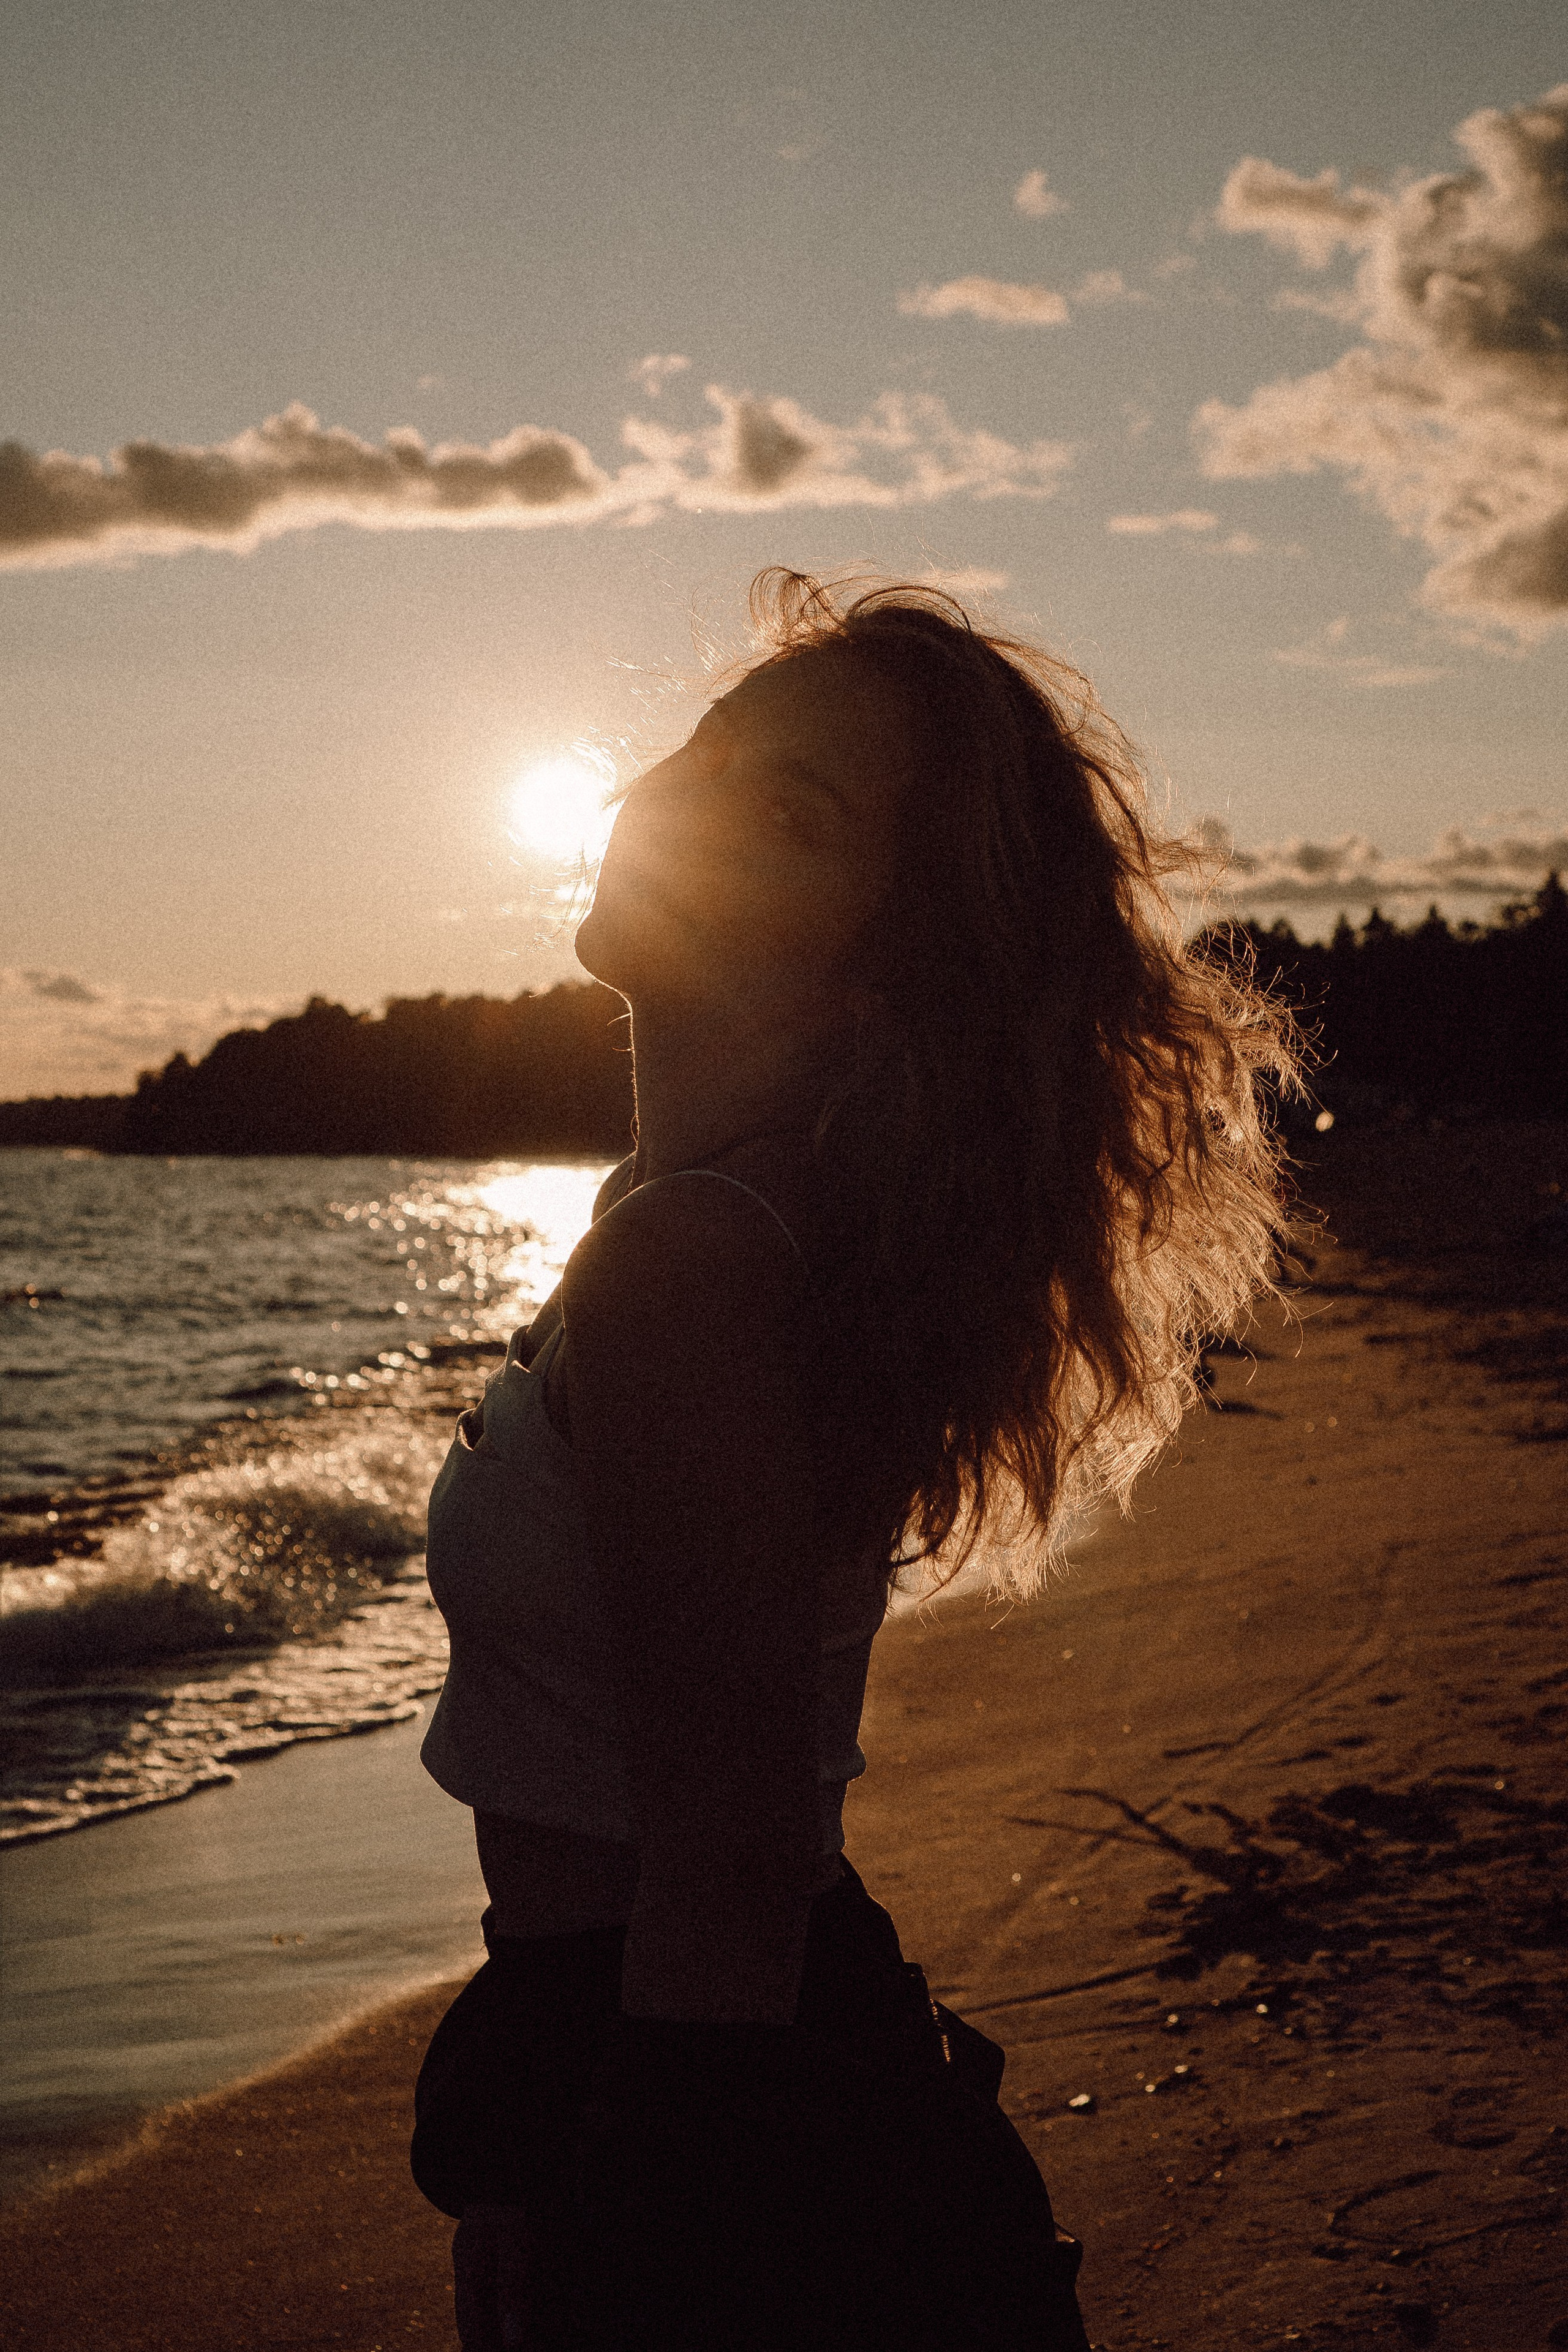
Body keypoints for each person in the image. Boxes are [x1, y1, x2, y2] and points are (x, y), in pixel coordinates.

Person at [410, 570, 1295, 2348]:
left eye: (789, 815)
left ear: (885, 955)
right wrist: (515, 2142)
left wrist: (618, 2229)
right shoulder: (699, 1217)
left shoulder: (700, 1264)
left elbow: (728, 1864)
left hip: (734, 2131)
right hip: (705, 2060)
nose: (684, 805)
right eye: (712, 753)